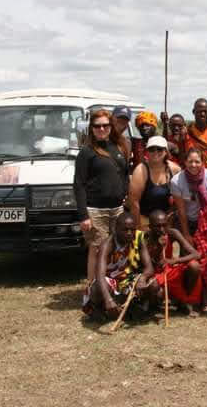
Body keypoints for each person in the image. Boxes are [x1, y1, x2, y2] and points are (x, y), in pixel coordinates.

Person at [75, 109, 130, 283]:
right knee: (97, 249)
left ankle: (112, 284)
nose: (101, 129)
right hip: (95, 210)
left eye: (105, 125)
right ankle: (93, 288)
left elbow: (124, 174)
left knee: (116, 248)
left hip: (117, 209)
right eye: (97, 126)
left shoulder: (119, 147)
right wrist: (83, 216)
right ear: (91, 128)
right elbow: (78, 185)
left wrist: (125, 195)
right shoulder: (86, 152)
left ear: (111, 126)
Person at [82, 212, 157, 320]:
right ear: (116, 229)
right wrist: (108, 299)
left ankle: (141, 308)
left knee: (153, 285)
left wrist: (142, 278)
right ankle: (99, 308)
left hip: (128, 278)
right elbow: (99, 276)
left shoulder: (139, 238)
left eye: (132, 229)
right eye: (125, 230)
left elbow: (149, 268)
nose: (129, 233)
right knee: (98, 286)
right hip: (110, 281)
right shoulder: (107, 245)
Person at [170, 148, 207, 309]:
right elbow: (181, 211)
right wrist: (186, 234)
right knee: (191, 260)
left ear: (202, 162)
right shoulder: (177, 181)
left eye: (197, 161)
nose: (193, 165)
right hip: (187, 222)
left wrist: (206, 231)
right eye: (190, 161)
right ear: (184, 162)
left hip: (206, 222)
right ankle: (189, 297)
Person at [139, 210, 203, 316]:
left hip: (169, 270)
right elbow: (147, 265)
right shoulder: (145, 238)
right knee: (154, 286)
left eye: (164, 225)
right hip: (154, 273)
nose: (162, 229)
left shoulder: (172, 233)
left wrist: (174, 260)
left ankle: (185, 301)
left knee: (194, 265)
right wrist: (158, 249)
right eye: (157, 226)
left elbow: (196, 254)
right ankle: (154, 306)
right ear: (150, 226)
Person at [128, 136, 180, 230]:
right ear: (147, 152)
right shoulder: (141, 171)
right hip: (145, 220)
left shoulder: (174, 169)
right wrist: (138, 228)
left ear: (166, 151)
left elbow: (181, 196)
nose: (155, 152)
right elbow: (134, 202)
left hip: (167, 221)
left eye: (159, 149)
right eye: (152, 149)